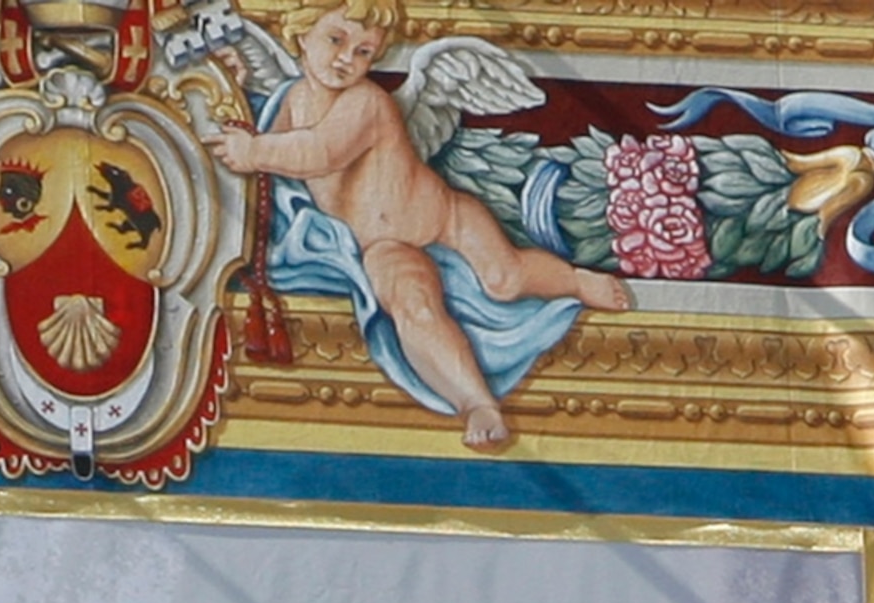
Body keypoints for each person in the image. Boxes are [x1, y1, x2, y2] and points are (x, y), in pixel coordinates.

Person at [204, 1, 628, 448]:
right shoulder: (291, 100)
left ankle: (576, 282)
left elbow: (318, 152)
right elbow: (265, 144)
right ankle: (475, 400)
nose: (349, 58)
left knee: (506, 278)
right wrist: (236, 87)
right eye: (337, 40)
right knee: (414, 307)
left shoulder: (365, 101)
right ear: (299, 35)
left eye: (365, 51)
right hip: (383, 245)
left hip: (446, 217)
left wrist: (253, 152)